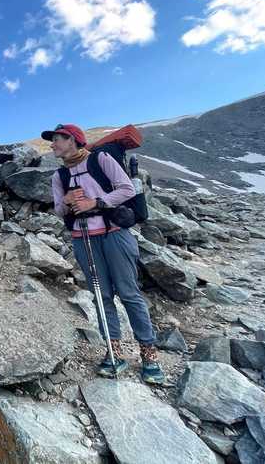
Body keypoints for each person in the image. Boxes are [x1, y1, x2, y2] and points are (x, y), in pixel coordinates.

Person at [41, 123, 165, 384]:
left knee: (129, 292)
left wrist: (95, 203)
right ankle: (114, 352)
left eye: (57, 140)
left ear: (73, 139)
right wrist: (66, 202)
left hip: (115, 233)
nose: (52, 145)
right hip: (82, 238)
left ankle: (149, 354)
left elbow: (127, 189)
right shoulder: (59, 177)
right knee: (101, 295)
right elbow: (59, 212)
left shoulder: (101, 159)